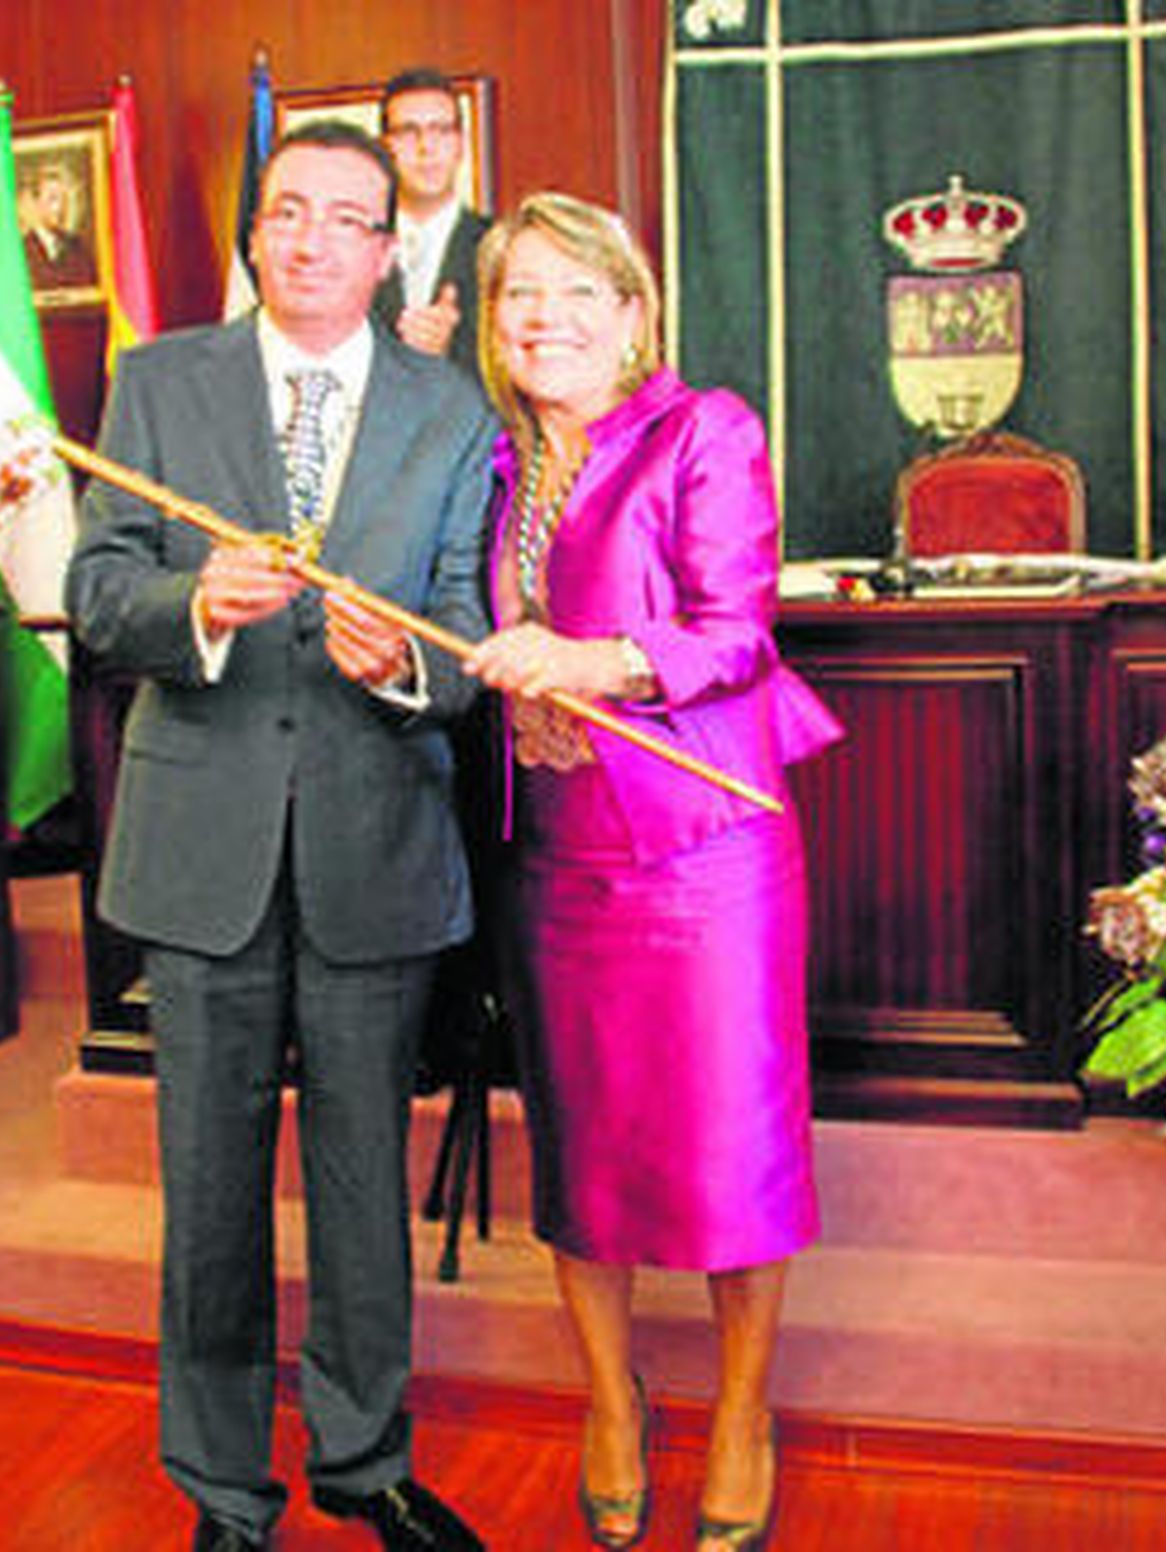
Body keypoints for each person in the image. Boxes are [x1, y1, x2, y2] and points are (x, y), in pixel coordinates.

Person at [66, 121, 494, 1552]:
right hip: (204, 849)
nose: (310, 241)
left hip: (377, 840)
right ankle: (223, 1490)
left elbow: (473, 632)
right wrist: (192, 610)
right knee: (210, 1193)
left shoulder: (453, 411)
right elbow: (96, 585)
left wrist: (404, 669)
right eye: (285, 215)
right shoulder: (158, 380)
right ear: (254, 234)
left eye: (344, 220)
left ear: (388, 249)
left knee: (365, 1180)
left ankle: (365, 1459)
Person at [464, 193, 844, 1552]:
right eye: (519, 295)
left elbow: (732, 632)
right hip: (556, 853)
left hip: (703, 851)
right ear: (494, 327)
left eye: (576, 291)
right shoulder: (492, 457)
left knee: (731, 1147)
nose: (545, 317)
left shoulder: (705, 429)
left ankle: (745, 1408)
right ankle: (612, 1398)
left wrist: (589, 664)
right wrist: (512, 691)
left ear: (633, 312)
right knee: (582, 1142)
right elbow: (480, 633)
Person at [373, 67, 490, 376]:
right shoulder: (356, 248)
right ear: (384, 148)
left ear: (461, 144)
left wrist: (446, 356)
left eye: (441, 130)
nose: (426, 148)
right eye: (408, 132)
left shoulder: (500, 246)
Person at [19, 161, 95, 290]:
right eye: (52, 199)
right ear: (36, 202)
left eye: (64, 199)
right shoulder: (21, 250)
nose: (60, 207)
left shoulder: (77, 247)